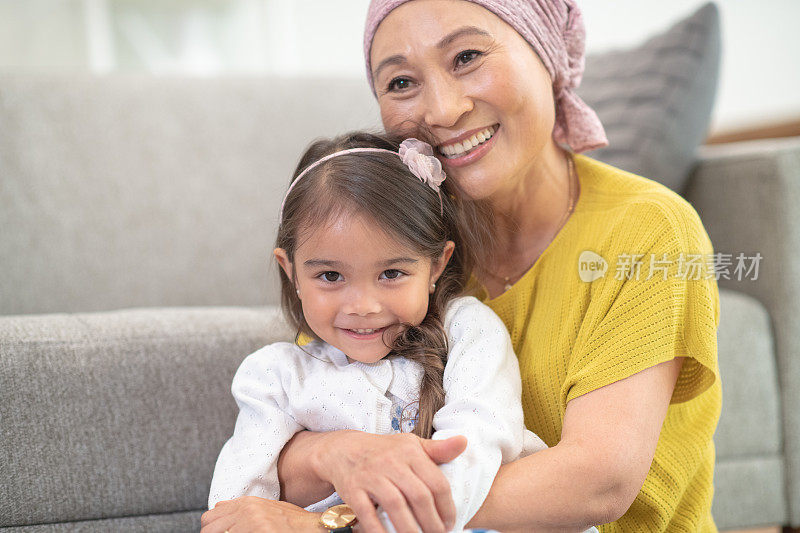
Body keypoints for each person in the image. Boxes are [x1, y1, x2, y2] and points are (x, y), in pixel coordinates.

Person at [200, 0, 721, 532]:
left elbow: (596, 484)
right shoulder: (400, 242)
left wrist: (341, 517)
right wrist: (334, 452)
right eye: (401, 83)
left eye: (467, 56)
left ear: (544, 50)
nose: (443, 111)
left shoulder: (649, 232)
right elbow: (320, 400)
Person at [206, 131, 578, 532]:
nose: (363, 306)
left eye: (392, 273)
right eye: (330, 275)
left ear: (436, 266)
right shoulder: (274, 377)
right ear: (291, 271)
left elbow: (476, 449)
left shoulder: (468, 331)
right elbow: (237, 506)